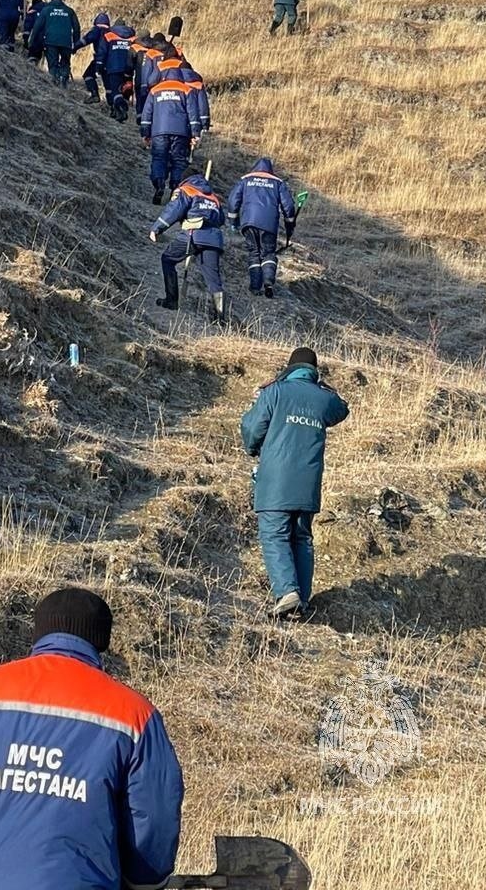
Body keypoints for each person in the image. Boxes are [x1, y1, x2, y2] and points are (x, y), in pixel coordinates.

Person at [0, 587, 184, 890]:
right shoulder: (134, 715)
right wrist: (142, 885)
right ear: (101, 641)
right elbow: (153, 821)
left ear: (37, 634)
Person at [241, 347, 350, 618]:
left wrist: (253, 448)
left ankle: (287, 592)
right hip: (308, 483)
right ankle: (301, 599)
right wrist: (321, 386)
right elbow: (342, 408)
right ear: (313, 371)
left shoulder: (274, 392)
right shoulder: (323, 399)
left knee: (274, 534)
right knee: (302, 537)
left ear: (289, 367)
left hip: (275, 482)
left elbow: (253, 428)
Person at [149, 173, 226, 320]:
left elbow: (173, 210)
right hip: (214, 239)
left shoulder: (187, 190)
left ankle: (171, 301)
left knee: (168, 259)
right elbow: (220, 219)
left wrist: (157, 228)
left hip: (193, 235)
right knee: (213, 279)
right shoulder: (214, 198)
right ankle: (219, 318)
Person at [225, 158, 297, 298]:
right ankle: (268, 282)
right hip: (269, 224)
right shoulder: (278, 182)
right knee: (268, 253)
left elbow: (233, 200)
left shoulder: (245, 180)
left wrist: (234, 221)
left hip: (248, 223)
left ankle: (255, 287)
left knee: (254, 253)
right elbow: (288, 206)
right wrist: (290, 225)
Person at [140, 71, 208, 203]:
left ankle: (159, 184)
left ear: (164, 77)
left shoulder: (155, 90)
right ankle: (175, 190)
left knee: (159, 158)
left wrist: (145, 133)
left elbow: (146, 114)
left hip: (159, 132)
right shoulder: (187, 90)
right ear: (181, 78)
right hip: (181, 133)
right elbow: (193, 114)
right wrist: (195, 134)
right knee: (179, 161)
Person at [30, 0, 80, 85]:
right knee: (65, 63)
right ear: (62, 0)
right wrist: (76, 44)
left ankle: (55, 83)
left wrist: (31, 42)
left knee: (53, 64)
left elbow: (37, 27)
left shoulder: (46, 10)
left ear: (51, 0)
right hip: (66, 42)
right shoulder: (69, 11)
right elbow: (76, 28)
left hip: (50, 41)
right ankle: (64, 82)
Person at [95, 20, 136, 121]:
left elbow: (102, 51)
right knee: (126, 90)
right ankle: (121, 110)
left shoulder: (109, 35)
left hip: (113, 67)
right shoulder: (133, 38)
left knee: (115, 91)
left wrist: (99, 64)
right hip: (128, 69)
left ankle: (121, 107)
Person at [75, 11, 111, 103]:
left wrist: (75, 47)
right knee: (108, 84)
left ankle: (94, 95)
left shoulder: (97, 30)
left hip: (99, 59)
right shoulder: (111, 32)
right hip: (111, 61)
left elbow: (86, 40)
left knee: (88, 75)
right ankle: (113, 107)